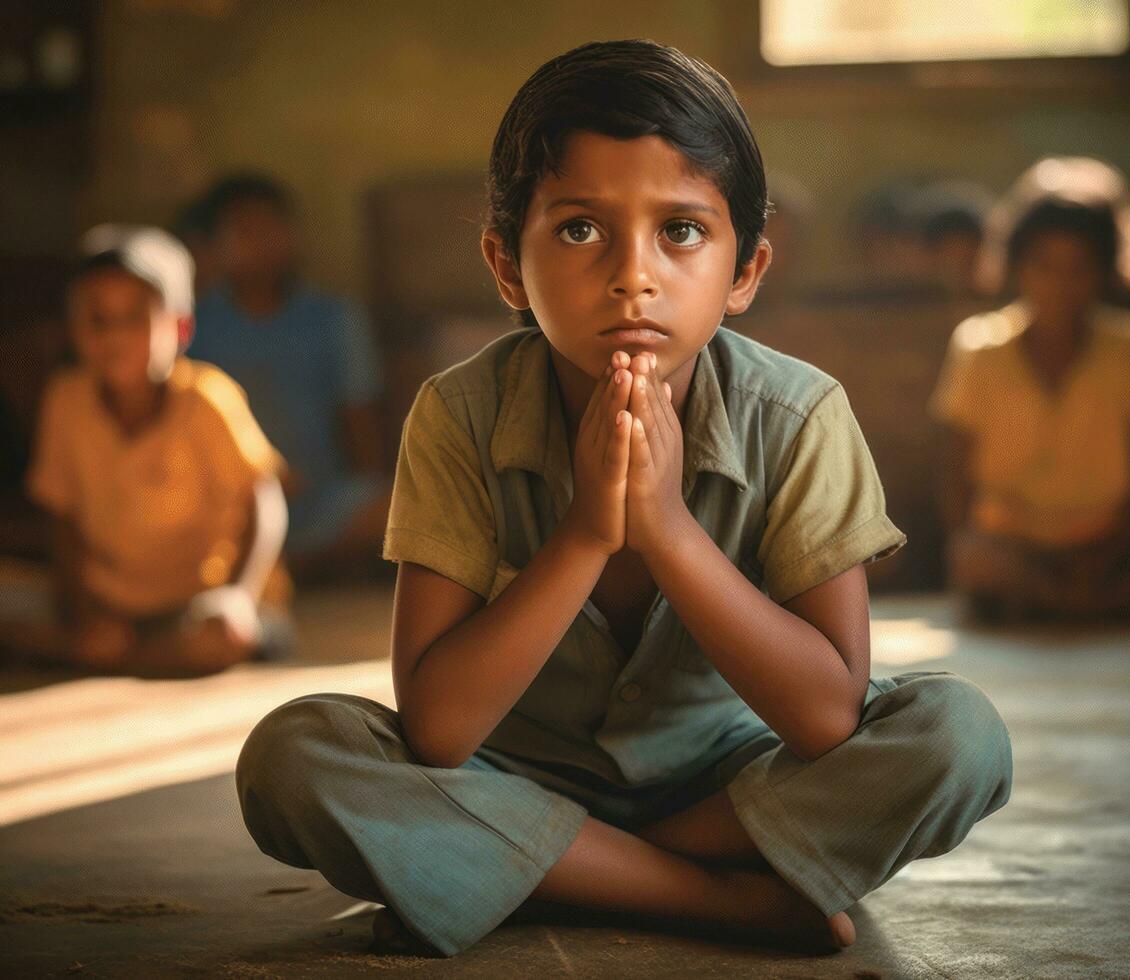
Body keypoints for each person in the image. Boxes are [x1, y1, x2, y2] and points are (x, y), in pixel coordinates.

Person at [235, 39, 1012, 958]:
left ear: (746, 272)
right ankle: (718, 903)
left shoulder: (799, 417)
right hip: (508, 769)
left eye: (680, 230)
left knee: (958, 737)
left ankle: (538, 867)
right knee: (292, 756)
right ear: (505, 265)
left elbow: (824, 718)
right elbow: (441, 733)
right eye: (577, 229)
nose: (631, 275)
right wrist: (584, 534)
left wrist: (668, 530)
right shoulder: (458, 414)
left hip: (725, 785)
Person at [931, 157, 1130, 624]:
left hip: (1117, 542)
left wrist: (1112, 549)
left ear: (1106, 271)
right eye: (1045, 265)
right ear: (1017, 266)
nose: (1061, 283)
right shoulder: (979, 345)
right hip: (1016, 543)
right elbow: (955, 468)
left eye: (1079, 268)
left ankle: (1058, 603)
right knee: (973, 557)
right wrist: (968, 545)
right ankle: (1107, 603)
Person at [6, 225, 293, 675]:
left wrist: (239, 594)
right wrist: (82, 612)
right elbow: (61, 517)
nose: (115, 335)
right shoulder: (66, 400)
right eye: (98, 319)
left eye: (135, 317)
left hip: (198, 601)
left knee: (223, 634)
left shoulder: (205, 399)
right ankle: (110, 651)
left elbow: (264, 499)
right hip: (112, 604)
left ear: (180, 327)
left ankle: (100, 658)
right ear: (74, 328)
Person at [188, 174, 391, 583]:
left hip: (319, 506)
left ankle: (274, 570)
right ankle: (269, 569)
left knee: (398, 507)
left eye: (273, 228)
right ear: (214, 245)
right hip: (227, 511)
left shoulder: (334, 318)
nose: (262, 243)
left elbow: (360, 419)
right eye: (245, 231)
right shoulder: (193, 325)